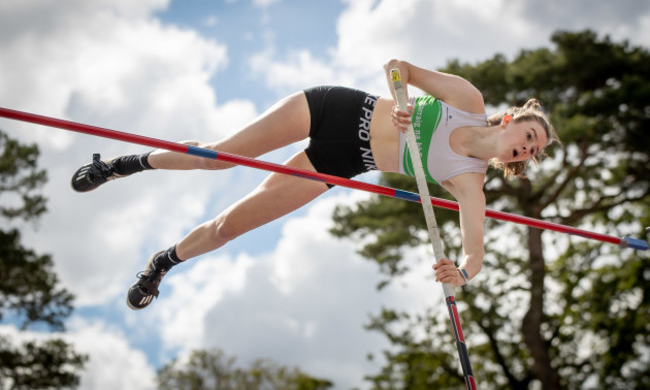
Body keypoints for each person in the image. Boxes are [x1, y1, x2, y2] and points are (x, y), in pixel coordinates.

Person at [71, 59, 559, 310]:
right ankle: (122, 164)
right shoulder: (466, 98)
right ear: (512, 119)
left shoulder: (469, 183)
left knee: (229, 227)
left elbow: (474, 251)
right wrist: (401, 97)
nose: (527, 149)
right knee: (220, 158)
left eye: (533, 153)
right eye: (530, 137)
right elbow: (398, 66)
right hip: (338, 108)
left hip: (342, 160)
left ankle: (161, 263)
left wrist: (464, 275)